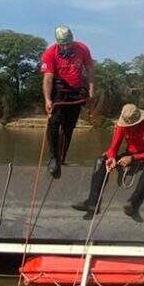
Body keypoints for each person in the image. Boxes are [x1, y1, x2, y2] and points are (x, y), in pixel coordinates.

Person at [75, 102, 144, 221]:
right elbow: (113, 148)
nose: (130, 127)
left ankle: (133, 204)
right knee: (101, 160)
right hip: (129, 154)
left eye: (133, 125)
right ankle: (93, 202)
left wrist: (133, 158)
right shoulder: (121, 125)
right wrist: (111, 158)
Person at [40, 26, 96, 179]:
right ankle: (53, 157)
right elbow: (48, 79)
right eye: (63, 44)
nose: (66, 46)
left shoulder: (82, 49)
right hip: (58, 88)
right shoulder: (50, 53)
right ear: (58, 43)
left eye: (68, 43)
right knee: (54, 121)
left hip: (76, 90)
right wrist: (47, 99)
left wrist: (91, 89)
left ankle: (61, 157)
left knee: (69, 126)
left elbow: (90, 69)